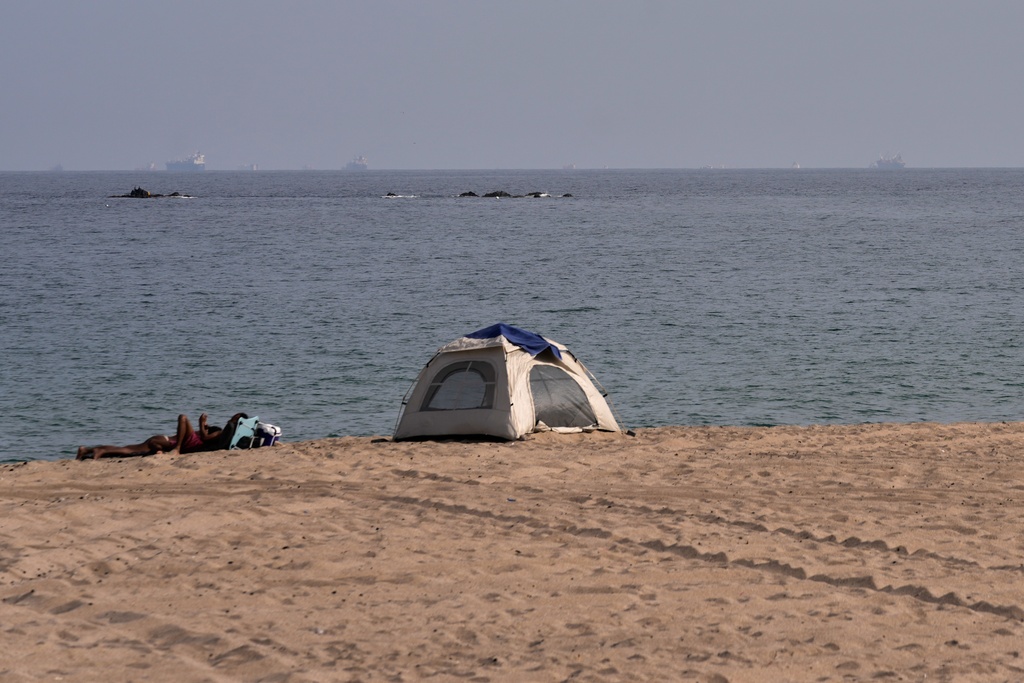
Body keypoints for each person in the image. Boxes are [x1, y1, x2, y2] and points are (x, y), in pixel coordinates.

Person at [76, 412, 248, 460]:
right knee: (129, 450)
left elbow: (204, 437)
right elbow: (204, 437)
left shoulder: (222, 432)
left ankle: (89, 451)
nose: (232, 417)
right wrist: (203, 426)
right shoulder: (223, 432)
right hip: (167, 442)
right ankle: (95, 451)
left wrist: (201, 423)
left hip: (168, 442)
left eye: (235, 416)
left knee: (129, 450)